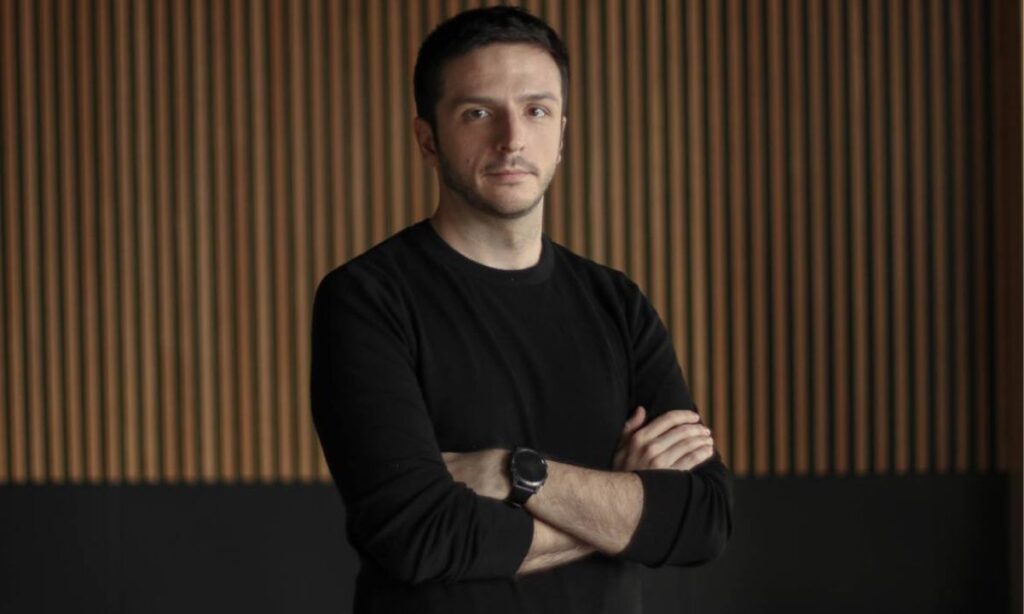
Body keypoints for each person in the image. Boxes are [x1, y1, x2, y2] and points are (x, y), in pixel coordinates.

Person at [310, 6, 733, 613]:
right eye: (478, 113)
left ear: (561, 135)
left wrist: (516, 471)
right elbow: (420, 537)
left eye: (536, 110)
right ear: (428, 140)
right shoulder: (367, 299)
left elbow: (703, 519)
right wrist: (621, 506)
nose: (511, 139)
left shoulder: (617, 303)